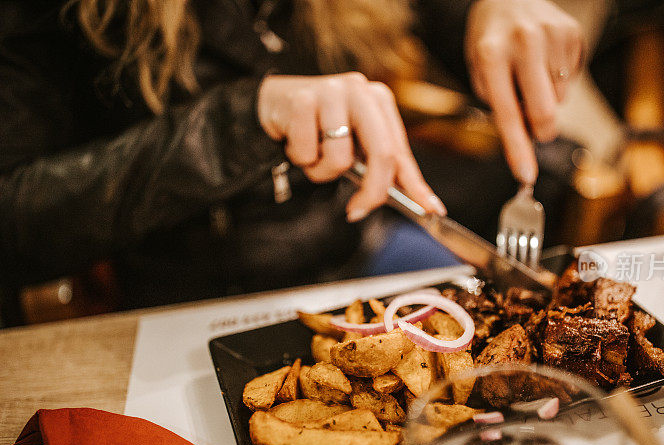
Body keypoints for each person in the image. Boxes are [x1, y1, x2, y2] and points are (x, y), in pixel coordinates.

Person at [0, 0, 583, 312]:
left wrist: (492, 8)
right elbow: (15, 219)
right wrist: (239, 122)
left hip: (358, 245)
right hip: (181, 302)